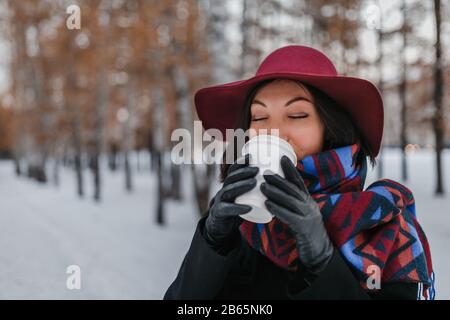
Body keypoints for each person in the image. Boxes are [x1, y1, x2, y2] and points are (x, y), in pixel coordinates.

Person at [164, 45, 434, 300]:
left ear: (331, 129)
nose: (273, 131)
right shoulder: (242, 227)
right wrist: (212, 245)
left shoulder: (385, 227)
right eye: (258, 117)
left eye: (296, 115)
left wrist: (322, 260)